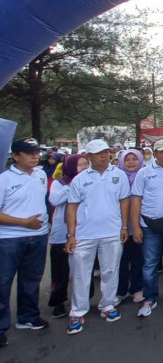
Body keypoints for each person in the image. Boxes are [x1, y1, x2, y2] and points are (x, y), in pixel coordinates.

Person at [65, 139, 131, 335]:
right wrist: (71, 234)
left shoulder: (119, 175)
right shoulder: (80, 179)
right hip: (85, 234)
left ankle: (108, 305)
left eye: (106, 151)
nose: (104, 155)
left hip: (112, 232)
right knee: (81, 274)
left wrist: (124, 226)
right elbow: (72, 207)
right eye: (99, 153)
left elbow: (124, 202)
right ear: (89, 157)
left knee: (110, 271)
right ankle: (77, 312)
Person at [0, 137, 50, 348]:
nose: (35, 156)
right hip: (10, 238)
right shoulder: (4, 180)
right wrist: (23, 222)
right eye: (30, 153)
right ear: (16, 156)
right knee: (3, 283)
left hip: (38, 237)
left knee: (31, 279)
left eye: (37, 152)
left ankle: (27, 317)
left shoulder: (40, 174)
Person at [131, 139, 163, 317]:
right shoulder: (144, 173)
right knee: (149, 264)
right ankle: (149, 298)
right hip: (149, 225)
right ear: (155, 153)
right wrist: (135, 226)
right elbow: (136, 199)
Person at [47, 154, 89, 319]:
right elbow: (55, 200)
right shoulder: (60, 183)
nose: (84, 168)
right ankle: (58, 302)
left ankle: (81, 300)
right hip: (62, 233)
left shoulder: (89, 181)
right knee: (61, 270)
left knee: (82, 268)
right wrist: (72, 185)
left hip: (84, 230)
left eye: (86, 164)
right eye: (80, 165)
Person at [116, 149, 145, 304]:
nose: (131, 162)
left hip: (139, 225)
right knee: (120, 259)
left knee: (138, 259)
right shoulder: (116, 177)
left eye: (135, 159)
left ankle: (137, 288)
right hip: (119, 224)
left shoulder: (144, 175)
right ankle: (120, 290)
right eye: (128, 159)